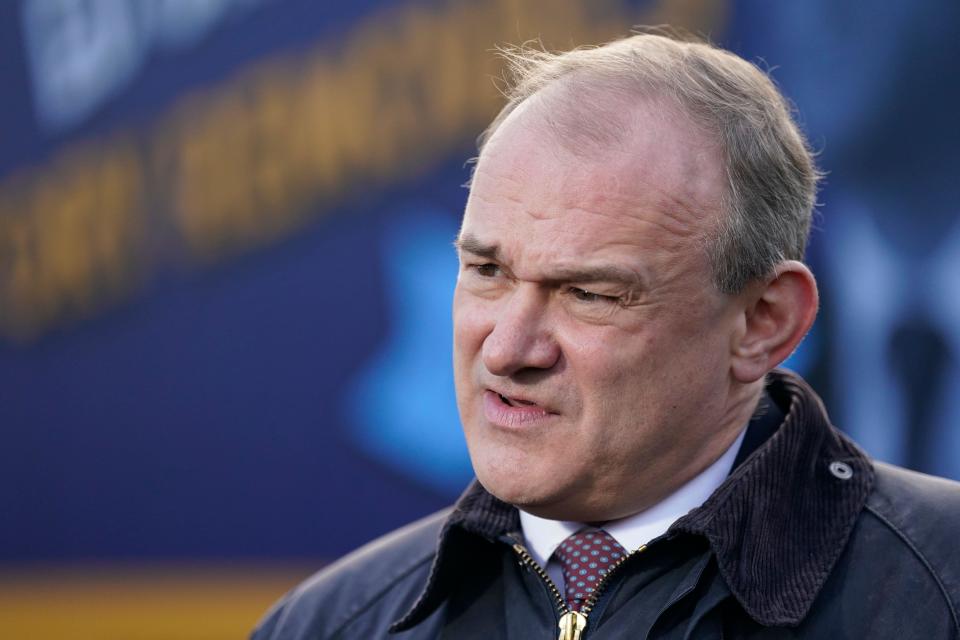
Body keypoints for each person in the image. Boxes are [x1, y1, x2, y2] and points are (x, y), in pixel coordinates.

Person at [252, 31, 960, 639]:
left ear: (763, 322)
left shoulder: (939, 593)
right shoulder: (333, 624)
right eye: (487, 271)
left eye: (588, 294)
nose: (506, 350)